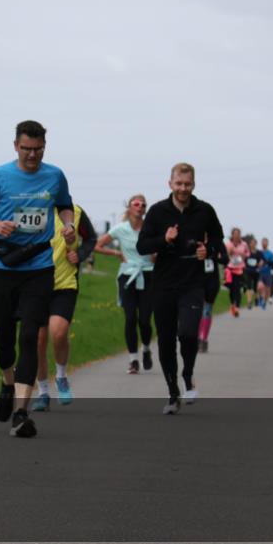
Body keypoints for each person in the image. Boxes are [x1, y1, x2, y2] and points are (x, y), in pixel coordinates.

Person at [0, 120, 75, 438]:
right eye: (26, 149)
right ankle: (6, 380)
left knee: (31, 337)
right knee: (4, 340)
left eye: (38, 149)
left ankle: (21, 412)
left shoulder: (54, 175)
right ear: (16, 146)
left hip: (39, 267)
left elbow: (64, 205)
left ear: (45, 146)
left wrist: (67, 225)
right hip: (2, 266)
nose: (32, 155)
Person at [137, 163, 224, 414]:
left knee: (187, 334)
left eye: (187, 184)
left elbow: (219, 241)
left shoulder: (204, 211)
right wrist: (164, 240)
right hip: (163, 284)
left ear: (193, 184)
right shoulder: (157, 211)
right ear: (170, 184)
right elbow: (143, 246)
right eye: (179, 184)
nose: (183, 188)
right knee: (165, 340)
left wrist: (209, 250)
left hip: (192, 283)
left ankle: (187, 373)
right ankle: (173, 392)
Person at [32, 204, 97, 411]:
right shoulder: (31, 209)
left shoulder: (75, 212)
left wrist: (80, 254)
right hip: (34, 285)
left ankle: (61, 376)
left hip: (65, 284)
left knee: (58, 333)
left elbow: (91, 239)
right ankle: (42, 392)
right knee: (38, 341)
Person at [95, 194, 155, 374]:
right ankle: (133, 360)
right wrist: (116, 254)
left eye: (143, 205)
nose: (140, 207)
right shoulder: (120, 228)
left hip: (148, 275)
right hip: (127, 276)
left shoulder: (151, 229)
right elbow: (97, 246)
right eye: (136, 204)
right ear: (129, 207)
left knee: (144, 320)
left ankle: (145, 349)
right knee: (130, 318)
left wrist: (156, 255)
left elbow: (158, 250)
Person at [198, 236, 228, 353]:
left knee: (206, 310)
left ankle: (203, 339)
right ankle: (195, 338)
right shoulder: (194, 238)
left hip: (211, 281)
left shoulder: (216, 242)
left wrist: (214, 256)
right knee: (196, 311)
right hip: (195, 280)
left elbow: (225, 258)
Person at [224, 228, 248, 317]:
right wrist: (229, 254)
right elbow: (225, 255)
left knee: (237, 288)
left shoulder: (244, 244)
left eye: (238, 234)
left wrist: (244, 256)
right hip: (230, 269)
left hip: (240, 268)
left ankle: (237, 307)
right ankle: (232, 305)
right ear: (232, 235)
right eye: (235, 234)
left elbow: (247, 253)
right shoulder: (228, 244)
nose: (237, 235)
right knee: (231, 289)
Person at [243, 237, 264, 310]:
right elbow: (243, 259)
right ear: (250, 244)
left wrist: (261, 263)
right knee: (249, 286)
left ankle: (256, 299)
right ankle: (249, 302)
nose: (253, 244)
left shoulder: (259, 253)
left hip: (256, 271)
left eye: (254, 243)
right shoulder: (247, 252)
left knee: (255, 287)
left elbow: (262, 260)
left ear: (256, 244)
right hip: (248, 271)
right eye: (251, 243)